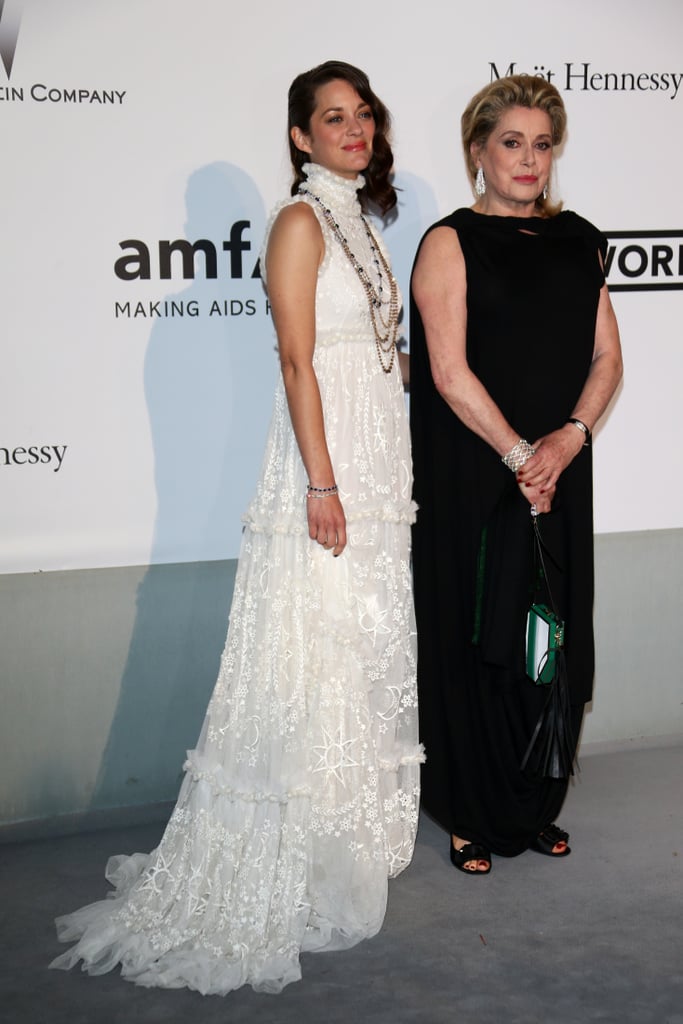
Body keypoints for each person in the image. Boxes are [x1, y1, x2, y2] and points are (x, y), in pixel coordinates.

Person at [50, 60, 422, 992]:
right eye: (331, 118)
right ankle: (285, 848)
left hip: (377, 467)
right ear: (298, 136)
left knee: (356, 646)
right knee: (312, 647)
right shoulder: (299, 223)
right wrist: (323, 485)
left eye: (362, 115)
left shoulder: (362, 223)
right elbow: (297, 362)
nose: (352, 129)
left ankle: (338, 828)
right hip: (325, 470)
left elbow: (379, 350)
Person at [409, 74, 622, 876]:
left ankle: (533, 803)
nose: (527, 160)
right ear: (478, 152)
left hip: (557, 473)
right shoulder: (448, 240)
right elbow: (447, 372)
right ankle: (470, 806)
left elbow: (607, 358)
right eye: (510, 142)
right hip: (477, 472)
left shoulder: (580, 239)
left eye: (540, 144)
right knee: (479, 633)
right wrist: (517, 456)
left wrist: (565, 442)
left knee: (550, 637)